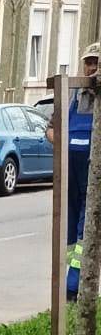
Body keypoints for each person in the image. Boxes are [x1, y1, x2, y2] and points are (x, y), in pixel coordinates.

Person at [46, 43, 101, 299]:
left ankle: (73, 285)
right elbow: (52, 129)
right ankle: (70, 281)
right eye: (89, 62)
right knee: (69, 226)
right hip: (71, 169)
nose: (92, 67)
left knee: (85, 225)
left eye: (97, 62)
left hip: (93, 171)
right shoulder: (74, 93)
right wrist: (59, 141)